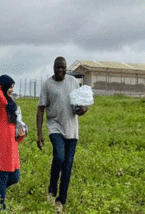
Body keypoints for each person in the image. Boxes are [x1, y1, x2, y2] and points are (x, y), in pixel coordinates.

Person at [37, 57, 90, 213]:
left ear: (66, 68)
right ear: (53, 68)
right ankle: (52, 188)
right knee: (59, 157)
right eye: (57, 67)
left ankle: (60, 201)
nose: (60, 70)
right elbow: (40, 109)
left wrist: (84, 109)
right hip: (55, 127)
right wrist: (39, 134)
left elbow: (84, 101)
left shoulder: (73, 81)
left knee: (67, 166)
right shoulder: (47, 85)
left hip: (72, 130)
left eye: (63, 67)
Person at [0, 75, 25, 210]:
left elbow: (14, 123)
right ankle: (0, 206)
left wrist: (20, 131)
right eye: (10, 87)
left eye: (13, 87)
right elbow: (0, 99)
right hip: (1, 144)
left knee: (15, 177)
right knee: (3, 177)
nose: (12, 90)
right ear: (3, 87)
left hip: (11, 144)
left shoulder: (10, 104)